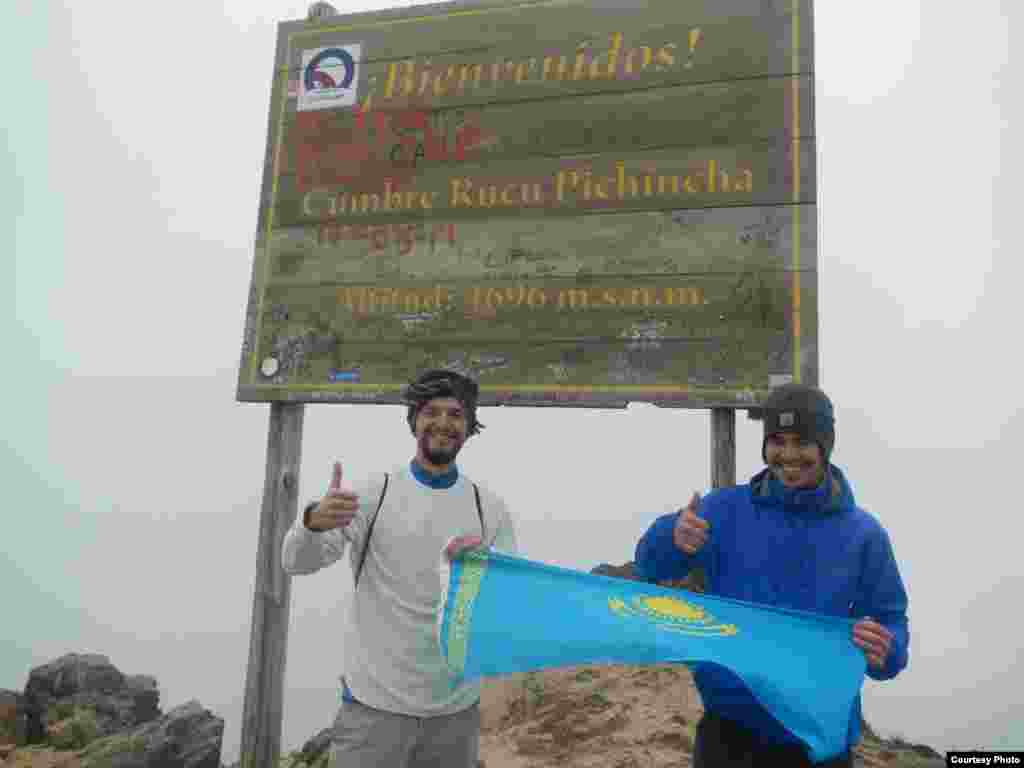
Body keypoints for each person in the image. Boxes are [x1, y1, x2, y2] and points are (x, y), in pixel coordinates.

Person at [634, 383, 909, 768]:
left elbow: (891, 622)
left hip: (817, 741)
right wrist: (673, 539)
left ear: (825, 446)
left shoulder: (863, 534)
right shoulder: (724, 510)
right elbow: (649, 565)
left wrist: (886, 648)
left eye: (803, 442)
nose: (789, 455)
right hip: (729, 735)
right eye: (777, 440)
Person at [282, 368, 518, 768]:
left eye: (456, 414)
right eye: (431, 411)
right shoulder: (374, 495)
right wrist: (311, 523)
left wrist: (479, 581)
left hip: (455, 718)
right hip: (373, 713)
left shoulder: (488, 510)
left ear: (469, 426)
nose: (443, 422)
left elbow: (504, 605)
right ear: (414, 420)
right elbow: (296, 562)